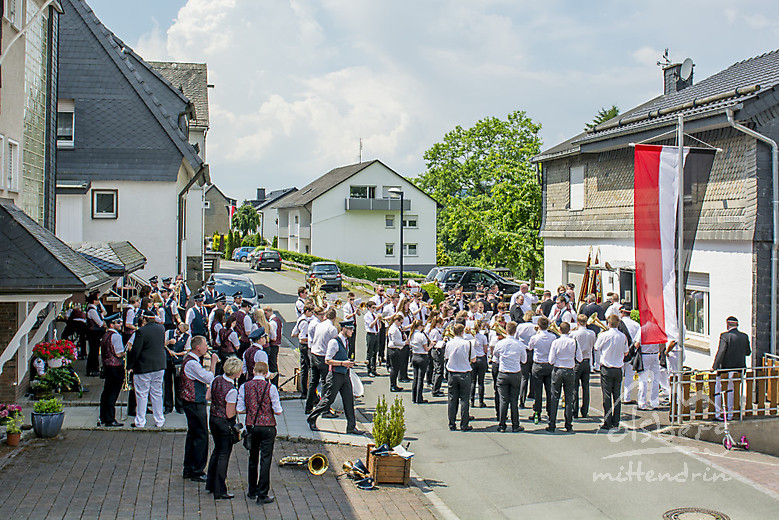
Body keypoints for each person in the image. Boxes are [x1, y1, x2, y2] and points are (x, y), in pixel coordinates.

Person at [238, 361, 283, 504]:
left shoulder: (245, 386)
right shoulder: (271, 388)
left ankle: (252, 490)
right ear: (266, 373)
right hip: (268, 426)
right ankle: (262, 494)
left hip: (252, 425)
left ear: (253, 371)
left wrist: (251, 410)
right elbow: (278, 411)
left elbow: (240, 408)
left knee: (253, 458)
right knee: (265, 459)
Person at [307, 320, 362, 434]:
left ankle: (351, 426)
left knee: (349, 400)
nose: (352, 331)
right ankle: (312, 417)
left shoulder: (346, 341)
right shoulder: (334, 342)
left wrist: (347, 363)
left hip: (345, 375)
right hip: (335, 376)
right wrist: (342, 363)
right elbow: (327, 360)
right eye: (350, 329)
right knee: (328, 399)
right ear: (344, 329)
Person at [180, 335, 218, 482]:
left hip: (191, 401)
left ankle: (189, 468)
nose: (206, 347)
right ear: (198, 347)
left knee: (193, 434)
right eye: (205, 345)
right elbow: (209, 378)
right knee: (201, 435)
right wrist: (213, 363)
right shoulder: (192, 364)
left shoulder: (191, 361)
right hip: (194, 402)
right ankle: (197, 470)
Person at [206, 356, 242, 499]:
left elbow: (208, 396)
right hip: (224, 423)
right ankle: (220, 489)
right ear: (235, 373)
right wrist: (239, 409)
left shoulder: (216, 379)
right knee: (224, 454)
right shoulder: (232, 390)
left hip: (213, 418)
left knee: (217, 451)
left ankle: (210, 484)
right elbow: (229, 413)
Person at [127, 309, 167, 428]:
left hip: (144, 366)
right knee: (157, 393)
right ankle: (159, 419)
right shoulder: (161, 329)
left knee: (142, 394)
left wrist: (130, 365)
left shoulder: (141, 331)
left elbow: (136, 350)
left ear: (144, 319)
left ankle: (140, 421)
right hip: (159, 365)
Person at [594, 315, 630, 430]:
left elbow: (596, 347)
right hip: (618, 368)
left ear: (608, 323)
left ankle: (607, 421)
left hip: (607, 367)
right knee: (617, 395)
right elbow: (626, 352)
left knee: (607, 396)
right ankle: (616, 421)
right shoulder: (623, 336)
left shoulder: (604, 335)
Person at [712, 316, 751, 420]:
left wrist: (715, 366)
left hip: (726, 369)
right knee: (732, 392)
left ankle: (718, 414)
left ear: (727, 325)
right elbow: (748, 352)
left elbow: (721, 351)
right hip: (739, 369)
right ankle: (730, 414)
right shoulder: (744, 336)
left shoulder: (725, 336)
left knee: (719, 390)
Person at [548, 322, 582, 433]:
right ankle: (568, 424)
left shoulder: (555, 342)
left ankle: (552, 424)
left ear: (560, 330)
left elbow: (551, 360)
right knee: (569, 398)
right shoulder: (574, 342)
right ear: (569, 331)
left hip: (558, 369)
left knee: (554, 397)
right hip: (569, 370)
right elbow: (580, 358)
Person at [492, 321, 526, 432]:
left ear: (506, 330)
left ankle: (502, 425)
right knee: (514, 400)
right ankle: (515, 425)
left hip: (503, 373)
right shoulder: (519, 344)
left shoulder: (500, 343)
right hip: (515, 373)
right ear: (515, 331)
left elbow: (495, 356)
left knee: (503, 400)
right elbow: (524, 360)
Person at [445, 323, 476, 432]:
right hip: (464, 373)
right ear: (462, 332)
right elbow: (473, 359)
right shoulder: (467, 343)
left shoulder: (449, 343)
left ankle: (452, 423)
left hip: (452, 373)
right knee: (464, 399)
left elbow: (447, 356)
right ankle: (464, 424)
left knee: (452, 399)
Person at [306, 308, 337, 414]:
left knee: (313, 382)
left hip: (314, 354)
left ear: (326, 316)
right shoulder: (332, 329)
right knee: (325, 383)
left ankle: (308, 406)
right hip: (323, 357)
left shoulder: (319, 325)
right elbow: (334, 345)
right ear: (334, 318)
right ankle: (324, 410)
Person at [99, 315, 126, 427]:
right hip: (115, 367)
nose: (120, 324)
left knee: (106, 392)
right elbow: (118, 354)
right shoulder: (116, 336)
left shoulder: (105, 336)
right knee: (113, 394)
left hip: (107, 366)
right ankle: (110, 418)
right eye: (118, 322)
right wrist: (126, 352)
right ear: (112, 324)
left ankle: (103, 416)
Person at [529, 317, 556, 424]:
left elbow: (530, 348)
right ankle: (550, 412)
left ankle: (537, 412)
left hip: (538, 364)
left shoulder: (535, 337)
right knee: (549, 390)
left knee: (538, 391)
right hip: (549, 364)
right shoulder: (553, 337)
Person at [570, 314, 596, 418]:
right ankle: (585, 410)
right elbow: (593, 345)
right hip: (587, 360)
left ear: (577, 322)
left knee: (574, 387)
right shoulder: (592, 333)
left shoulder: (574, 333)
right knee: (585, 387)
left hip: (577, 361)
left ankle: (574, 410)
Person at [164, 322, 190, 414]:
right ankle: (168, 406)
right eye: (178, 330)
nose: (179, 332)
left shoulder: (187, 337)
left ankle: (179, 406)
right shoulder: (169, 333)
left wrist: (177, 354)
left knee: (179, 384)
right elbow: (162, 344)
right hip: (168, 361)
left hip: (178, 362)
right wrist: (169, 342)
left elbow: (187, 350)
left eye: (181, 332)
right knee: (167, 384)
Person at [619, 305, 641, 404]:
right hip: (632, 352)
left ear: (623, 313)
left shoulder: (618, 323)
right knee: (629, 376)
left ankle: (617, 397)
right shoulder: (636, 324)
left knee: (619, 377)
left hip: (620, 352)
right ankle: (627, 397)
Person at [292, 304, 314, 397]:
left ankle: (304, 390)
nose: (312, 314)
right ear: (307, 311)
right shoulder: (304, 322)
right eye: (311, 312)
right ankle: (305, 390)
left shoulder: (301, 319)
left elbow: (294, 333)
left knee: (304, 367)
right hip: (305, 346)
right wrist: (312, 338)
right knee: (307, 368)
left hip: (303, 346)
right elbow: (302, 338)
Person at [409, 319, 431, 404]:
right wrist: (431, 345)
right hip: (422, 356)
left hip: (415, 355)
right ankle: (419, 398)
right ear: (419, 326)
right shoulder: (421, 335)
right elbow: (426, 348)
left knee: (415, 377)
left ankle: (414, 397)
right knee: (420, 378)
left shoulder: (412, 334)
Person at [85, 292, 106, 377]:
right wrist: (104, 324)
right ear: (94, 301)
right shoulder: (92, 311)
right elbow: (100, 323)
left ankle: (94, 368)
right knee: (93, 351)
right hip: (94, 333)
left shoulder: (94, 309)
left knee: (95, 351)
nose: (99, 301)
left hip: (95, 333)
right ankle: (92, 369)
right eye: (97, 300)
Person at [470, 321, 489, 408]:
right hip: (481, 358)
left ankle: (472, 401)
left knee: (472, 381)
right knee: (481, 381)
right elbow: (485, 349)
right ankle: (481, 401)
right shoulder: (483, 337)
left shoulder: (470, 337)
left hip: (473, 358)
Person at [264, 306, 283, 388]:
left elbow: (273, 337)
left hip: (272, 345)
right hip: (277, 345)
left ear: (267, 313)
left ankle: (274, 384)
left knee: (272, 365)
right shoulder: (278, 320)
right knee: (273, 364)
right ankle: (274, 384)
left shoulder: (272, 322)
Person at [386, 314, 406, 392]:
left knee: (396, 368)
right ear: (396, 321)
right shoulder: (394, 329)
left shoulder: (396, 328)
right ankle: (392, 386)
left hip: (396, 349)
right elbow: (395, 342)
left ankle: (394, 385)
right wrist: (404, 343)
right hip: (393, 349)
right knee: (394, 369)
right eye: (400, 322)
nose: (401, 324)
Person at [427, 316, 446, 397]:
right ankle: (436, 390)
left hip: (437, 350)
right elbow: (434, 342)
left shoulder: (437, 330)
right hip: (437, 350)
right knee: (439, 370)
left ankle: (435, 386)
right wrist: (443, 341)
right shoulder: (435, 331)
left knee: (437, 369)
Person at [363, 301, 381, 376]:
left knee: (375, 352)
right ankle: (369, 370)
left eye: (375, 308)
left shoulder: (375, 315)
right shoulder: (367, 316)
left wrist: (379, 320)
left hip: (376, 334)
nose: (374, 309)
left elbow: (379, 326)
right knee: (369, 353)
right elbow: (371, 325)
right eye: (373, 308)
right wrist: (377, 319)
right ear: (368, 308)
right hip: (370, 334)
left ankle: (374, 369)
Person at [341, 293, 360, 360]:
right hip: (348, 325)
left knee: (353, 343)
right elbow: (347, 316)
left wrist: (358, 310)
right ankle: (348, 357)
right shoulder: (346, 306)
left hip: (354, 325)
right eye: (351, 299)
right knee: (349, 343)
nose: (352, 301)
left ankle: (352, 358)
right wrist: (354, 313)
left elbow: (359, 314)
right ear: (347, 299)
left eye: (353, 299)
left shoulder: (354, 306)